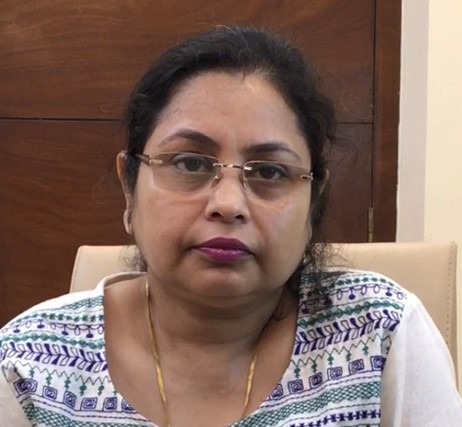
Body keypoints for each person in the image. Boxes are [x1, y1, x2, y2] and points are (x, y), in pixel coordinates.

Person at [0, 25, 461, 427]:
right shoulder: (27, 364)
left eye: (270, 171)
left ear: (313, 201)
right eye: (189, 163)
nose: (228, 204)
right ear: (129, 187)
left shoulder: (380, 334)